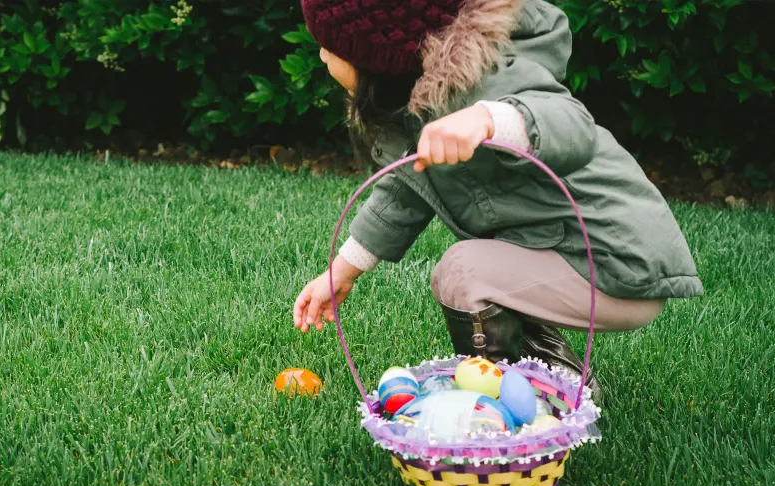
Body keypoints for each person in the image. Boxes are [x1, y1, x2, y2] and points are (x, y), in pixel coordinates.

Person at [291, 0, 704, 402]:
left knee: (464, 272)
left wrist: (489, 118)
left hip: (618, 263)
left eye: (331, 47)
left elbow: (572, 125)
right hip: (570, 253)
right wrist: (343, 270)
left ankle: (512, 407)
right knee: (473, 269)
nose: (323, 55)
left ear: (374, 58)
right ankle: (558, 376)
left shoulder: (488, 77)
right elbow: (406, 190)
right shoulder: (420, 103)